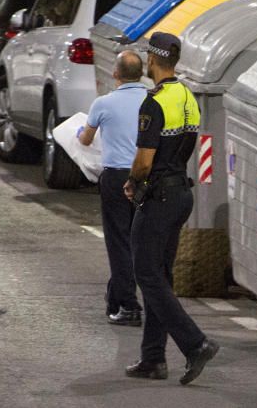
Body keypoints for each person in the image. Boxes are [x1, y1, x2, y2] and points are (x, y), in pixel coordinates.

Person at [122, 32, 218, 385]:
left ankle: (196, 344)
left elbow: (144, 161)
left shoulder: (155, 103)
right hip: (180, 194)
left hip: (159, 197)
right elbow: (186, 148)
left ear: (151, 59)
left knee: (146, 274)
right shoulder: (188, 97)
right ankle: (153, 359)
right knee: (159, 278)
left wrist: (134, 180)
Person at [78, 50, 147, 326]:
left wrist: (77, 132)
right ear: (141, 73)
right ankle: (118, 297)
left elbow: (85, 139)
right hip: (147, 177)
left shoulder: (103, 103)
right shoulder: (153, 100)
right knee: (140, 241)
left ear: (115, 74)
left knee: (119, 242)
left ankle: (128, 305)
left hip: (116, 177)